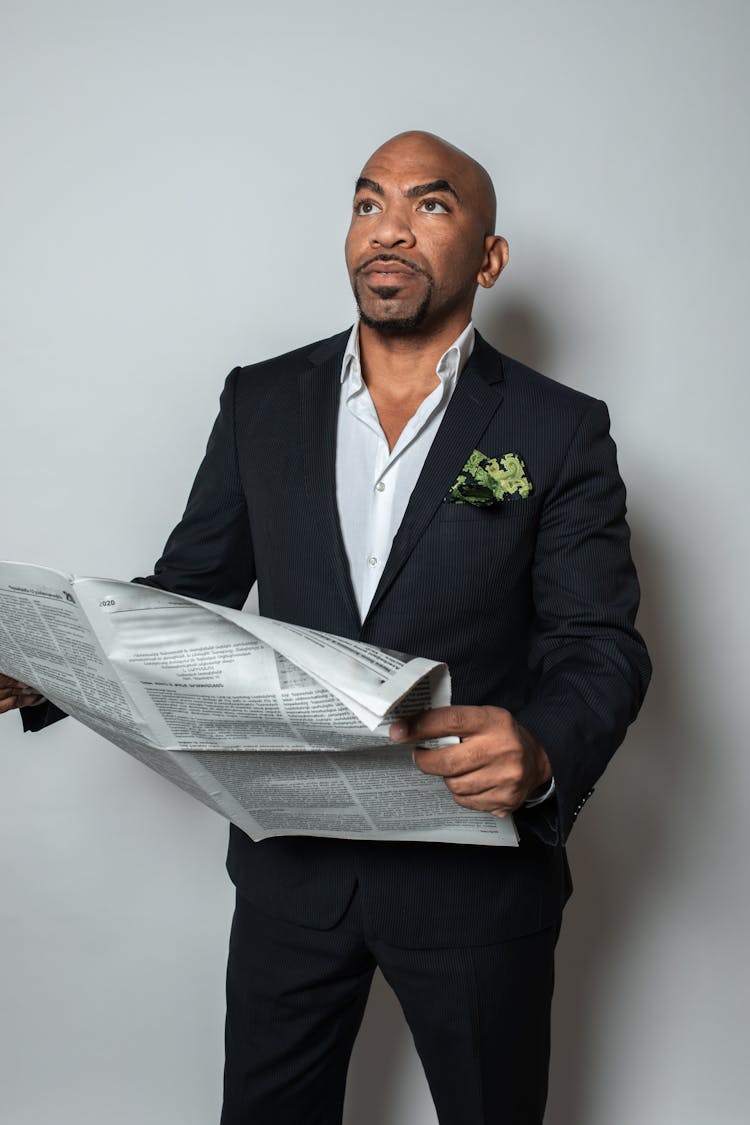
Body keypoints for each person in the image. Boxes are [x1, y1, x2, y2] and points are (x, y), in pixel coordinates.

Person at [2, 130, 651, 1125]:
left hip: (473, 887)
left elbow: (597, 642)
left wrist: (545, 746)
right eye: (367, 203)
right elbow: (188, 599)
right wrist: (48, 666)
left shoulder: (555, 428)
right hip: (288, 876)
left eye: (430, 206)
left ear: (489, 258)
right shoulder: (259, 399)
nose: (388, 230)